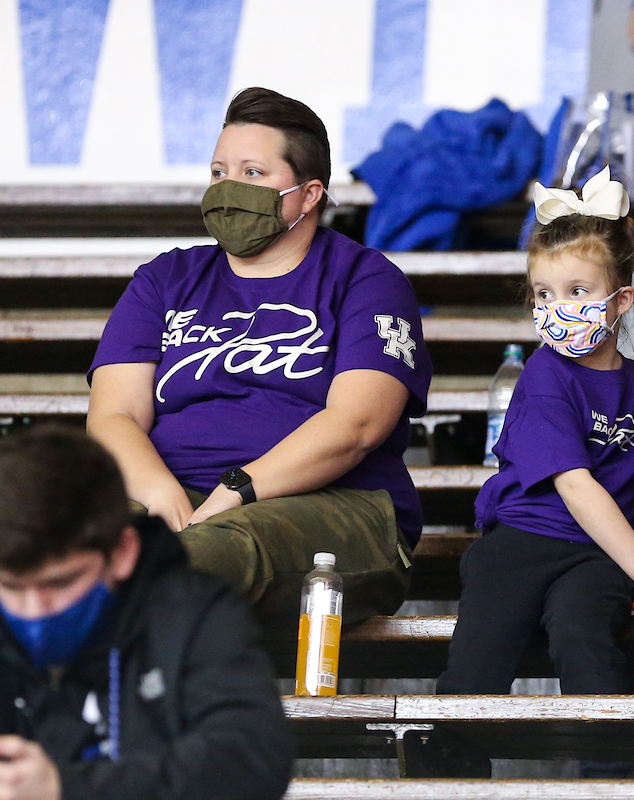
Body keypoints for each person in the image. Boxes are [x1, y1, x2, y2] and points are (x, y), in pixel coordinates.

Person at [87, 87, 433, 628]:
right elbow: (114, 416)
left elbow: (357, 425)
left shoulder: (367, 280)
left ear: (308, 194)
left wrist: (234, 492)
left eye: (252, 173)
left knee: (188, 560)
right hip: (169, 496)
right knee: (57, 550)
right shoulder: (166, 278)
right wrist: (160, 497)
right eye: (219, 172)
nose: (229, 189)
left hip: (335, 507)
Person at [435, 169, 634, 777]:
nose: (559, 309)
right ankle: (447, 782)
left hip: (598, 558)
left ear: (622, 301)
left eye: (578, 290)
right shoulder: (544, 373)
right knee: (478, 664)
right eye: (543, 294)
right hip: (521, 545)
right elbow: (574, 482)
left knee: (587, 641)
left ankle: (609, 783)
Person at [0, 426, 292, 800]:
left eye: (60, 583)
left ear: (121, 551)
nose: (35, 611)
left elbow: (250, 757)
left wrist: (65, 788)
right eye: (12, 588)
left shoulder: (192, 612)